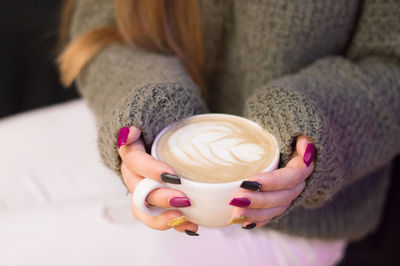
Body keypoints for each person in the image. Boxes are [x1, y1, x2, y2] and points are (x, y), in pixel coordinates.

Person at [57, 0, 400, 264]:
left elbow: (391, 65)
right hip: (140, 147)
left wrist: (312, 124)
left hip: (301, 219)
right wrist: (150, 106)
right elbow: (101, 27)